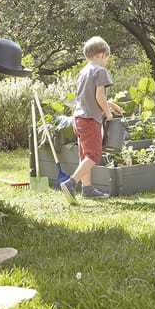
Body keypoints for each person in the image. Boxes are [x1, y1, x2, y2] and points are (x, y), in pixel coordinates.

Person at [60, 36, 123, 203]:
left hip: (78, 118)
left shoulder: (84, 72)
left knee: (85, 156)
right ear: (103, 54)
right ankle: (71, 183)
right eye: (107, 57)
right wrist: (108, 115)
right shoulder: (100, 71)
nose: (106, 61)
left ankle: (87, 188)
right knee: (94, 156)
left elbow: (88, 97)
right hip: (90, 120)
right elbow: (99, 98)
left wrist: (111, 104)